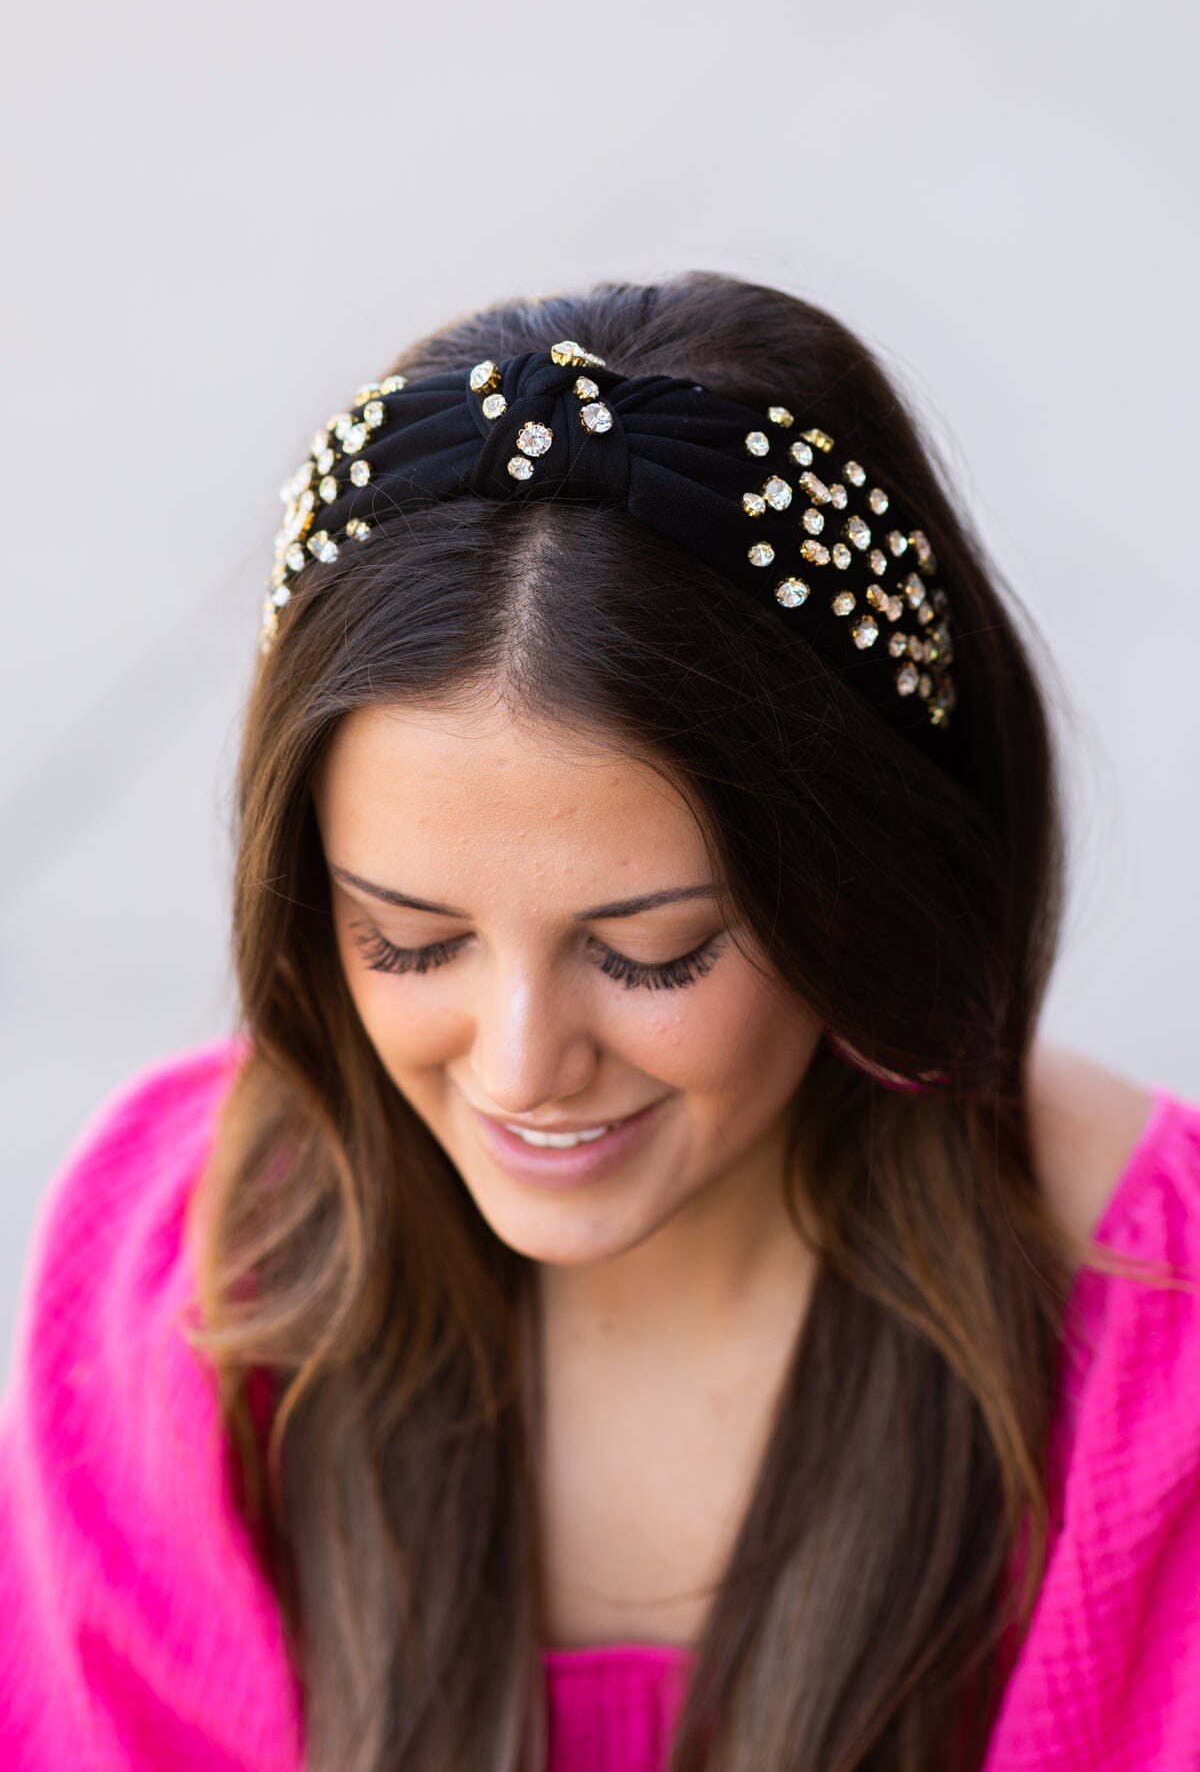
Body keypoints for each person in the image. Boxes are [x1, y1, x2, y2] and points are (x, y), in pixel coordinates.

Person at [1, 270, 1197, 1772]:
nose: (518, 1064)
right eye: (409, 939)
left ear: (863, 886)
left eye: (651, 955)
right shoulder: (179, 1277)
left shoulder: (1148, 1342)